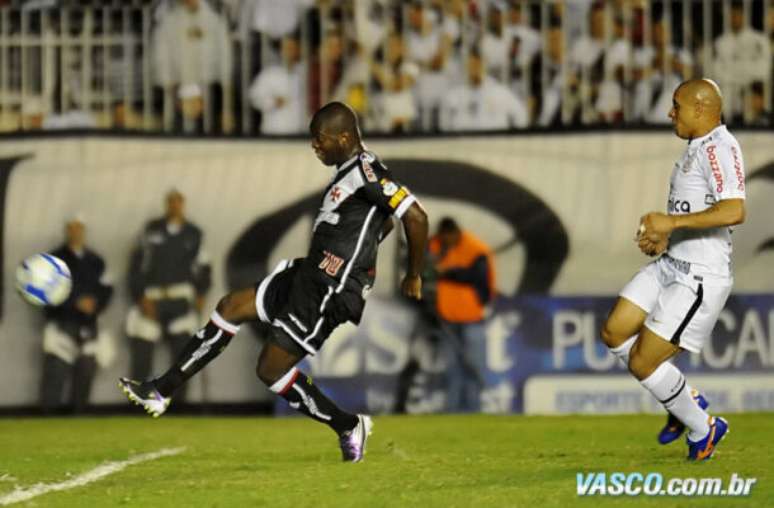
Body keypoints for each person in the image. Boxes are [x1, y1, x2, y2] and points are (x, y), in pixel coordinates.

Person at [120, 102, 429, 463]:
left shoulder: (368, 173)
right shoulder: (348, 170)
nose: (315, 147)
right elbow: (383, 222)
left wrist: (413, 273)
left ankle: (347, 425)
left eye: (320, 140)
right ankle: (160, 390)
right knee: (230, 307)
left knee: (270, 368)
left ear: (344, 137)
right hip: (310, 272)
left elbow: (417, 217)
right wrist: (366, 243)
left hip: (328, 288)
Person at [600, 79, 746, 461]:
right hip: (672, 263)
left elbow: (734, 210)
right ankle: (682, 398)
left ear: (701, 108)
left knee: (643, 362)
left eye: (676, 106)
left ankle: (703, 427)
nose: (670, 113)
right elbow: (691, 212)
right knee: (614, 331)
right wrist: (665, 236)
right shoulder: (694, 150)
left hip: (700, 277)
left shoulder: (721, 148)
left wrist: (671, 224)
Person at [125, 190, 211, 403]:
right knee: (142, 349)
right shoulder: (150, 230)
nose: (174, 206)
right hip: (152, 297)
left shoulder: (194, 233)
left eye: (178, 202)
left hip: (181, 298)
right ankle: (140, 400)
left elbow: (204, 267)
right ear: (166, 204)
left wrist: (201, 293)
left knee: (183, 353)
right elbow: (136, 265)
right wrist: (140, 296)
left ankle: (180, 404)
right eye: (171, 202)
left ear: (183, 205)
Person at [41, 216, 113, 412]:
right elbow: (45, 293)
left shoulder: (96, 261)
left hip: (88, 325)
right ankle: (46, 417)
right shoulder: (54, 259)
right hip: (62, 323)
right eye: (72, 228)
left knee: (86, 371)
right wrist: (74, 303)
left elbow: (106, 290)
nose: (75, 232)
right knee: (56, 372)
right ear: (67, 231)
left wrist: (94, 304)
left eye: (79, 228)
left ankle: (79, 416)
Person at [428, 218, 495, 412]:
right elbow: (424, 272)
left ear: (456, 233)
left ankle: (473, 413)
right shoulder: (433, 247)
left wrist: (448, 273)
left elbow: (478, 278)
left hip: (471, 318)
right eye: (443, 237)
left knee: (473, 369)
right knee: (452, 371)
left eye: (449, 236)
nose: (446, 240)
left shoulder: (475, 249)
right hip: (445, 318)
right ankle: (452, 415)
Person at [439, 48, 528, 131]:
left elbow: (521, 116)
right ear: (466, 67)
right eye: (471, 65)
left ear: (485, 65)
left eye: (478, 64)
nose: (475, 69)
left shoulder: (500, 93)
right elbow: (444, 124)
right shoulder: (454, 95)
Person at [249, 33, 307, 134]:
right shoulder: (269, 73)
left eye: (293, 48)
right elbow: (254, 97)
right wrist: (273, 101)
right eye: (287, 48)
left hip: (301, 131)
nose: (290, 52)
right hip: (274, 130)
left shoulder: (305, 71)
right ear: (281, 51)